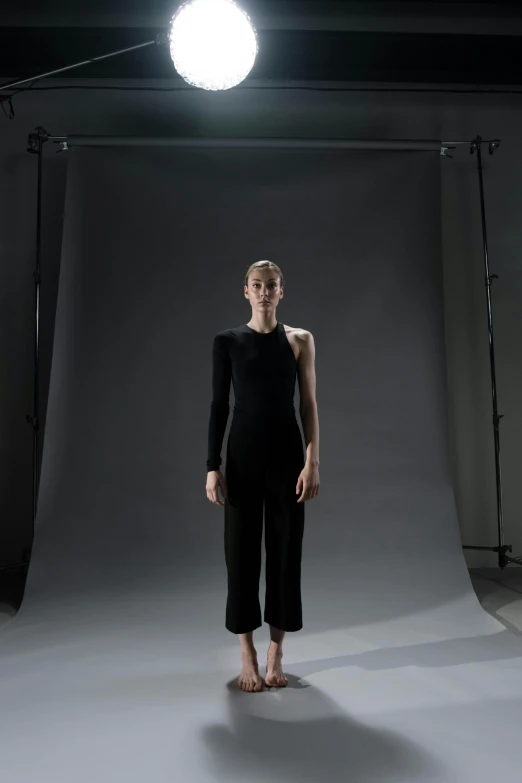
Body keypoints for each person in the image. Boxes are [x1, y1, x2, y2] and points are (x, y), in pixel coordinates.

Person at [205, 260, 320, 692]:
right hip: (242, 458)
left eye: (271, 285)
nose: (264, 292)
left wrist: (313, 461)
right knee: (241, 555)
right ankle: (247, 652)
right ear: (246, 291)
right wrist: (211, 466)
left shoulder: (299, 340)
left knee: (286, 553)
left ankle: (276, 649)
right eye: (257, 285)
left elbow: (308, 405)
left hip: (289, 458)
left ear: (282, 291)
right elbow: (218, 406)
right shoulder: (228, 342)